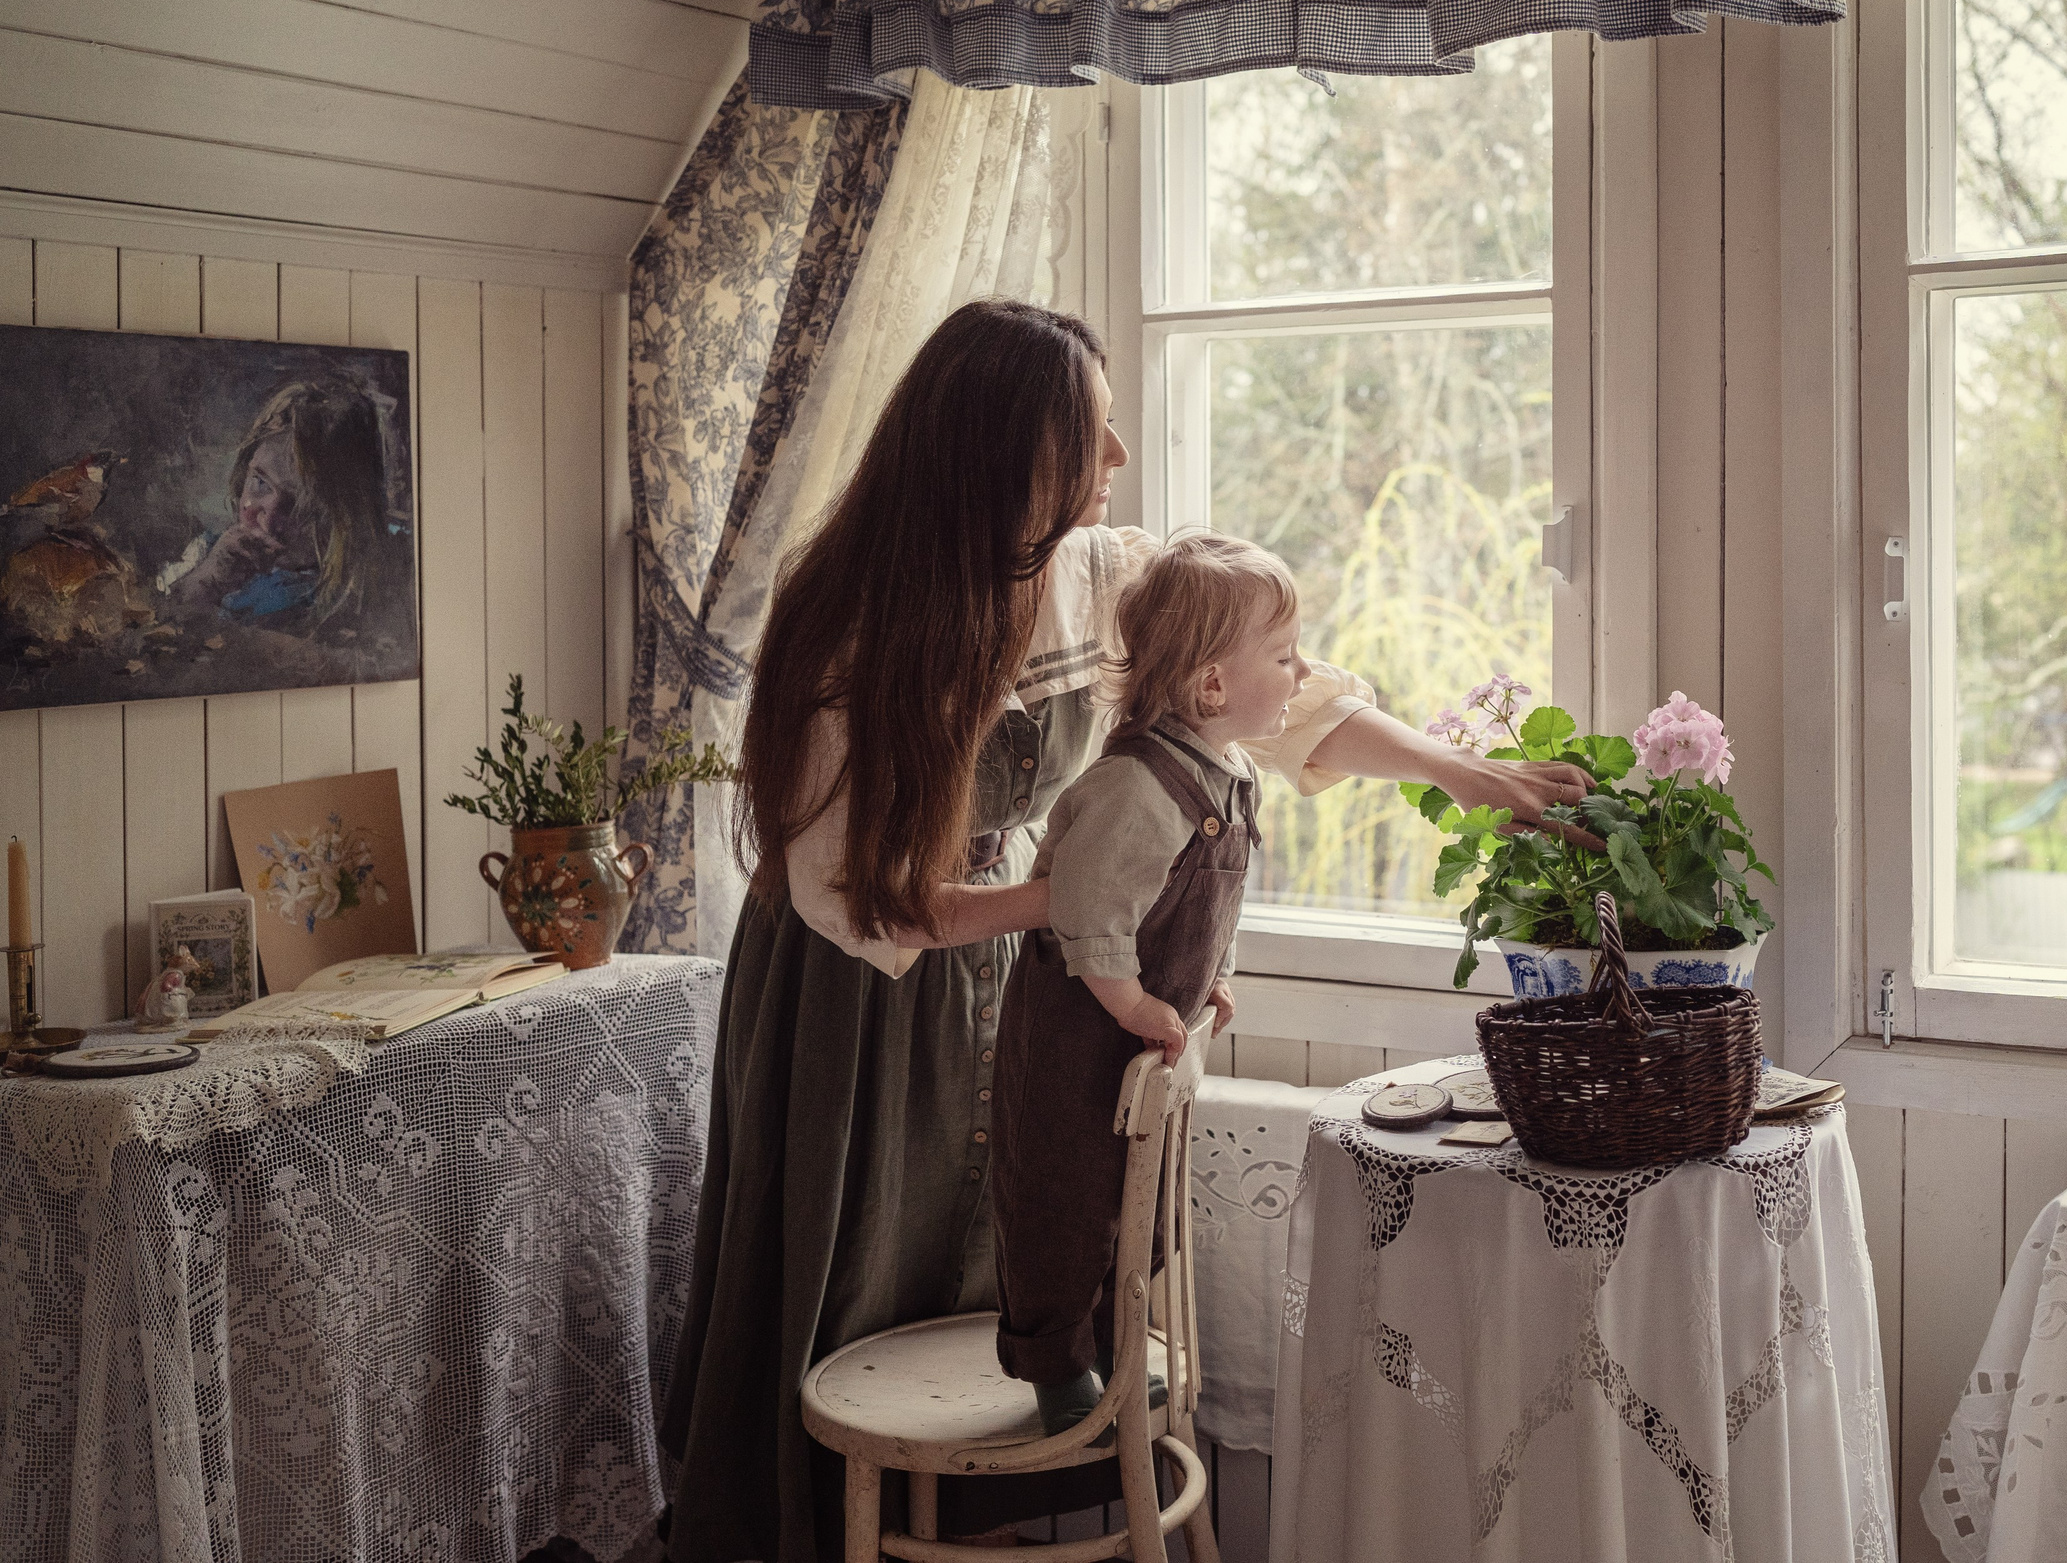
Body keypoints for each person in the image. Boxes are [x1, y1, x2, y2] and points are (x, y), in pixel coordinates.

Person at [660, 299, 1587, 1561]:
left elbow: (1262, 682)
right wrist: (1085, 905)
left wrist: (1460, 772)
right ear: (1002, 455)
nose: (1119, 456)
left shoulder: (1092, 575)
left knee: (1017, 1261)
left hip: (1017, 961)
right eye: (1089, 433)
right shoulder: (849, 630)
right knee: (867, 1278)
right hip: (858, 1004)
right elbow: (869, 901)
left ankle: (974, 1542)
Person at [990, 533, 1296, 1436]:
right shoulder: (1136, 786)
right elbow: (1090, 910)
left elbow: (1213, 904)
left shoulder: (1227, 774)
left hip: (1139, 1047)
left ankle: (1106, 1348)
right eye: (1284, 657)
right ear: (1213, 685)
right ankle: (1057, 1369)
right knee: (1063, 1202)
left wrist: (1216, 977)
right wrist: (1129, 1002)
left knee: (1138, 1203)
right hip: (1078, 1041)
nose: (1302, 671)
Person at [166, 378, 399, 625]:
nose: (269, 523)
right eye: (260, 483)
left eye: (303, 507)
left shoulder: (335, 602)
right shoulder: (209, 554)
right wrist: (207, 582)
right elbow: (163, 621)